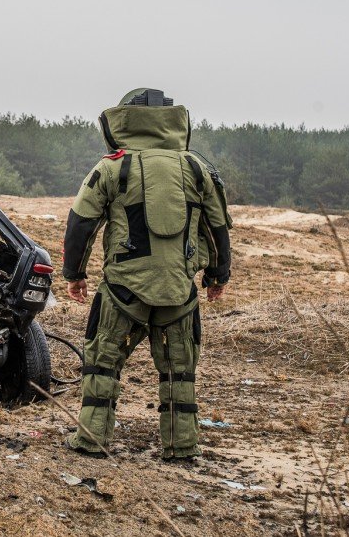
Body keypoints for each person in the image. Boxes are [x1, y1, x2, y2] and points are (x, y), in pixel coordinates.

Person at [62, 88, 232, 461]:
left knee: (102, 364)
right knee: (180, 372)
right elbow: (218, 227)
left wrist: (75, 273)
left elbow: (81, 224)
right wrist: (218, 276)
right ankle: (182, 448)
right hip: (179, 292)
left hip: (124, 291)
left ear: (124, 119)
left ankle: (91, 441)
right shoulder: (196, 168)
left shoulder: (111, 167)